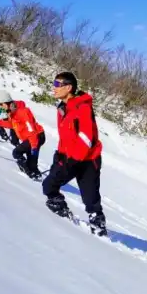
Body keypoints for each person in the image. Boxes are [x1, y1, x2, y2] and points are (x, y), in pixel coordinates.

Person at [41, 71, 107, 237]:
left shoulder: (82, 107)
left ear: (69, 87)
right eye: (54, 84)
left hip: (87, 160)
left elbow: (86, 137)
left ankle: (99, 231)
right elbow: (66, 136)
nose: (54, 87)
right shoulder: (62, 108)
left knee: (91, 200)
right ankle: (63, 216)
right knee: (49, 186)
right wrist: (60, 155)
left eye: (58, 84)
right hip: (68, 158)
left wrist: (73, 159)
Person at [0, 90, 46, 181]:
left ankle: (30, 174)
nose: (0, 107)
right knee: (31, 161)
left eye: (1, 104)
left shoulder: (22, 112)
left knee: (16, 152)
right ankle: (35, 173)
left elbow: (31, 129)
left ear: (6, 102)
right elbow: (12, 124)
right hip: (31, 137)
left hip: (36, 136)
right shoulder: (11, 112)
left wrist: (34, 146)